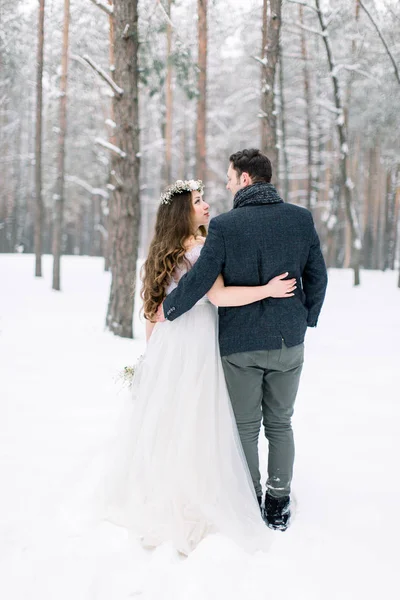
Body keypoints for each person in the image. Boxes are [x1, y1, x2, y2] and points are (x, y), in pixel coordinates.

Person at [110, 178, 297, 555]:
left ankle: (166, 487)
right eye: (198, 201)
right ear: (183, 212)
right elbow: (218, 296)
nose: (207, 205)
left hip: (169, 344)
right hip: (199, 341)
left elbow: (152, 315)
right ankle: (200, 493)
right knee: (202, 416)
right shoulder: (203, 250)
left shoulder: (156, 256)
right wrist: (267, 290)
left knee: (173, 418)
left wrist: (153, 359)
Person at [160, 149, 328, 531]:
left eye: (231, 177)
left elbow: (201, 277)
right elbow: (317, 276)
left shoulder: (225, 226)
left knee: (246, 427)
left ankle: (250, 497)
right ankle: (278, 501)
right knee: (281, 423)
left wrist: (169, 309)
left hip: (241, 345)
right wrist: (307, 317)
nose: (227, 183)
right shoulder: (300, 220)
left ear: (247, 179)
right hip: (289, 340)